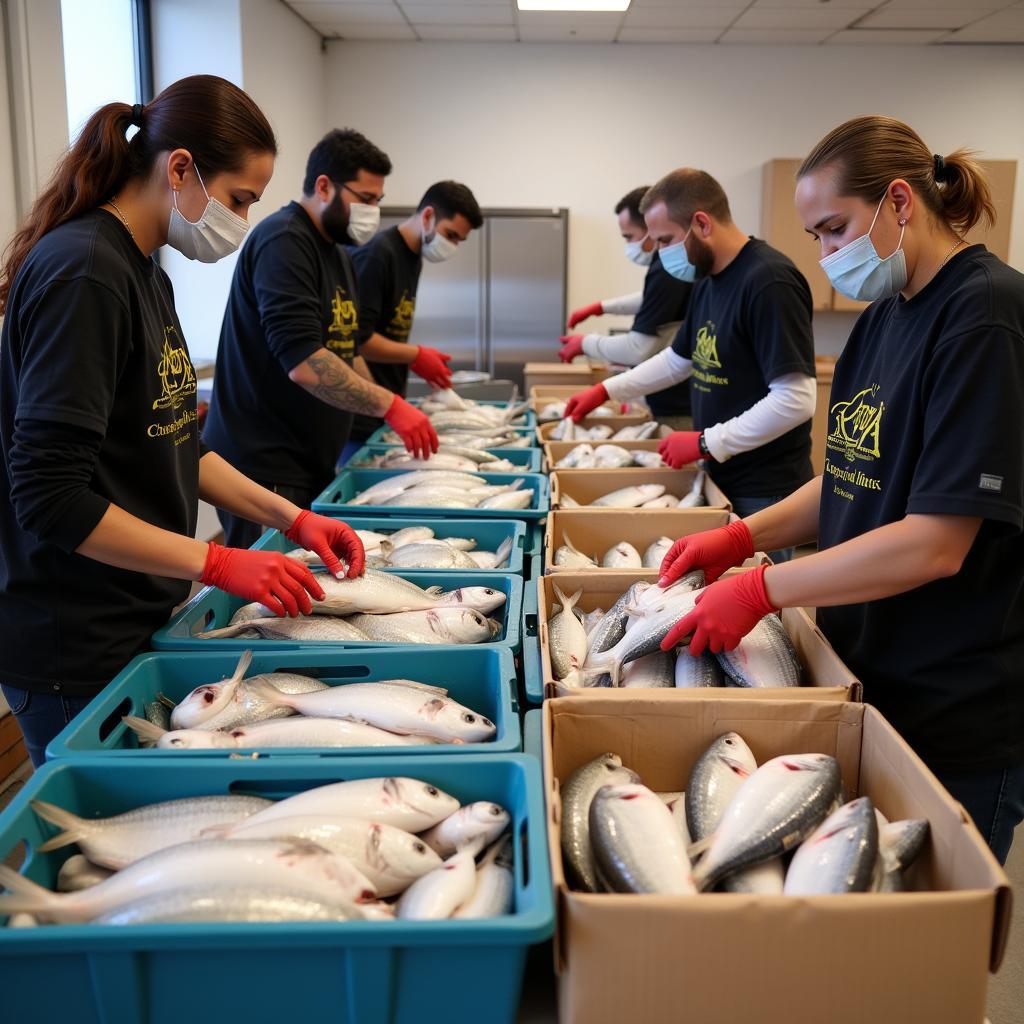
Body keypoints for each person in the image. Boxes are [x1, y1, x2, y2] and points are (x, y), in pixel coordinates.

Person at [657, 116, 1024, 865]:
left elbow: (935, 542)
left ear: (898, 201)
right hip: (870, 675)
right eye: (815, 237)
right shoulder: (885, 314)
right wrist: (741, 536)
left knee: (921, 953)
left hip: (958, 702)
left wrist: (763, 589)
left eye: (833, 229)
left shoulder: (985, 317)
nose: (826, 258)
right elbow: (855, 476)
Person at [0, 77, 365, 766]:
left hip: (134, 617)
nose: (241, 221)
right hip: (70, 638)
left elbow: (178, 444)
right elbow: (49, 498)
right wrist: (216, 560)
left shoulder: (143, 273)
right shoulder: (84, 274)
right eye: (238, 200)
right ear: (179, 168)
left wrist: (292, 520)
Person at [565, 169, 817, 562]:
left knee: (756, 611)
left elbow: (796, 400)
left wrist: (704, 441)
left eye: (665, 240)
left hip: (765, 487)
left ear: (701, 222)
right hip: (721, 474)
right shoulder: (708, 280)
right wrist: (606, 391)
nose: (661, 251)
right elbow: (678, 360)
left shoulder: (769, 281)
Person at [203, 129, 439, 547]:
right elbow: (306, 363)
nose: (372, 211)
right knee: (266, 599)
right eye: (364, 198)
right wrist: (391, 404)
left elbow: (345, 351)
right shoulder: (284, 241)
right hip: (263, 467)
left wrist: (385, 406)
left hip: (307, 460)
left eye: (377, 201)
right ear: (325, 186)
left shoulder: (337, 253)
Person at [347, 180, 483, 447]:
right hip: (361, 412)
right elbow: (356, 341)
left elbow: (388, 330)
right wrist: (417, 355)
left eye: (459, 240)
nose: (452, 246)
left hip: (390, 404)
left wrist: (416, 359)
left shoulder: (413, 258)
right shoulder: (377, 254)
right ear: (429, 216)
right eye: (451, 234)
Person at [559, 186, 694, 424]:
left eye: (629, 237)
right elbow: (655, 299)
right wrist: (601, 307)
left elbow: (638, 349)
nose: (630, 245)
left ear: (650, 226)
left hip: (679, 405)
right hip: (676, 397)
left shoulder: (668, 267)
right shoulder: (669, 266)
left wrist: (586, 344)